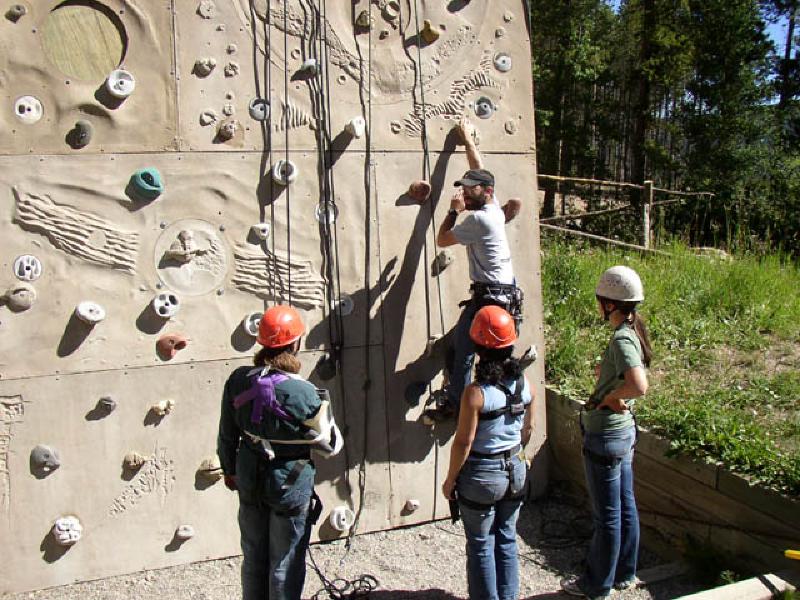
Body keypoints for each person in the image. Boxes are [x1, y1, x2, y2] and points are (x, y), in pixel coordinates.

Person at [217, 305, 341, 600]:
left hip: (248, 476)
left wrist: (229, 469)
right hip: (289, 482)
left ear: (262, 342)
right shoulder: (304, 391)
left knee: (254, 558)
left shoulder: (238, 379)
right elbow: (330, 445)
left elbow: (226, 432)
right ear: (295, 343)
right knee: (284, 562)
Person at [561, 266, 652, 600]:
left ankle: (596, 584)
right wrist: (609, 378)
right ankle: (624, 574)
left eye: (600, 301)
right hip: (622, 436)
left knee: (607, 517)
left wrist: (611, 396)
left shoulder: (622, 337)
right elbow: (628, 376)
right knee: (625, 507)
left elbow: (639, 386)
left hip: (607, 437)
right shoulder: (631, 332)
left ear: (610, 304)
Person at [425, 116, 523, 421]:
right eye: (463, 190)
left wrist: (453, 212)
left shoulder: (478, 219)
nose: (465, 195)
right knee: (489, 351)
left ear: (488, 191)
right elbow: (479, 168)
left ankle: (455, 405)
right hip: (505, 292)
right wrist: (467, 141)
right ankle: (512, 386)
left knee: (464, 353)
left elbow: (441, 240)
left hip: (489, 298)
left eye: (470, 191)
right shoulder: (491, 208)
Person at [442, 305, 534, 600]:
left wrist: (450, 480)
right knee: (506, 538)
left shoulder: (475, 393)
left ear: (479, 347)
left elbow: (463, 443)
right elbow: (528, 431)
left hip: (483, 475)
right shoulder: (523, 383)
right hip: (516, 469)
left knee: (481, 543)